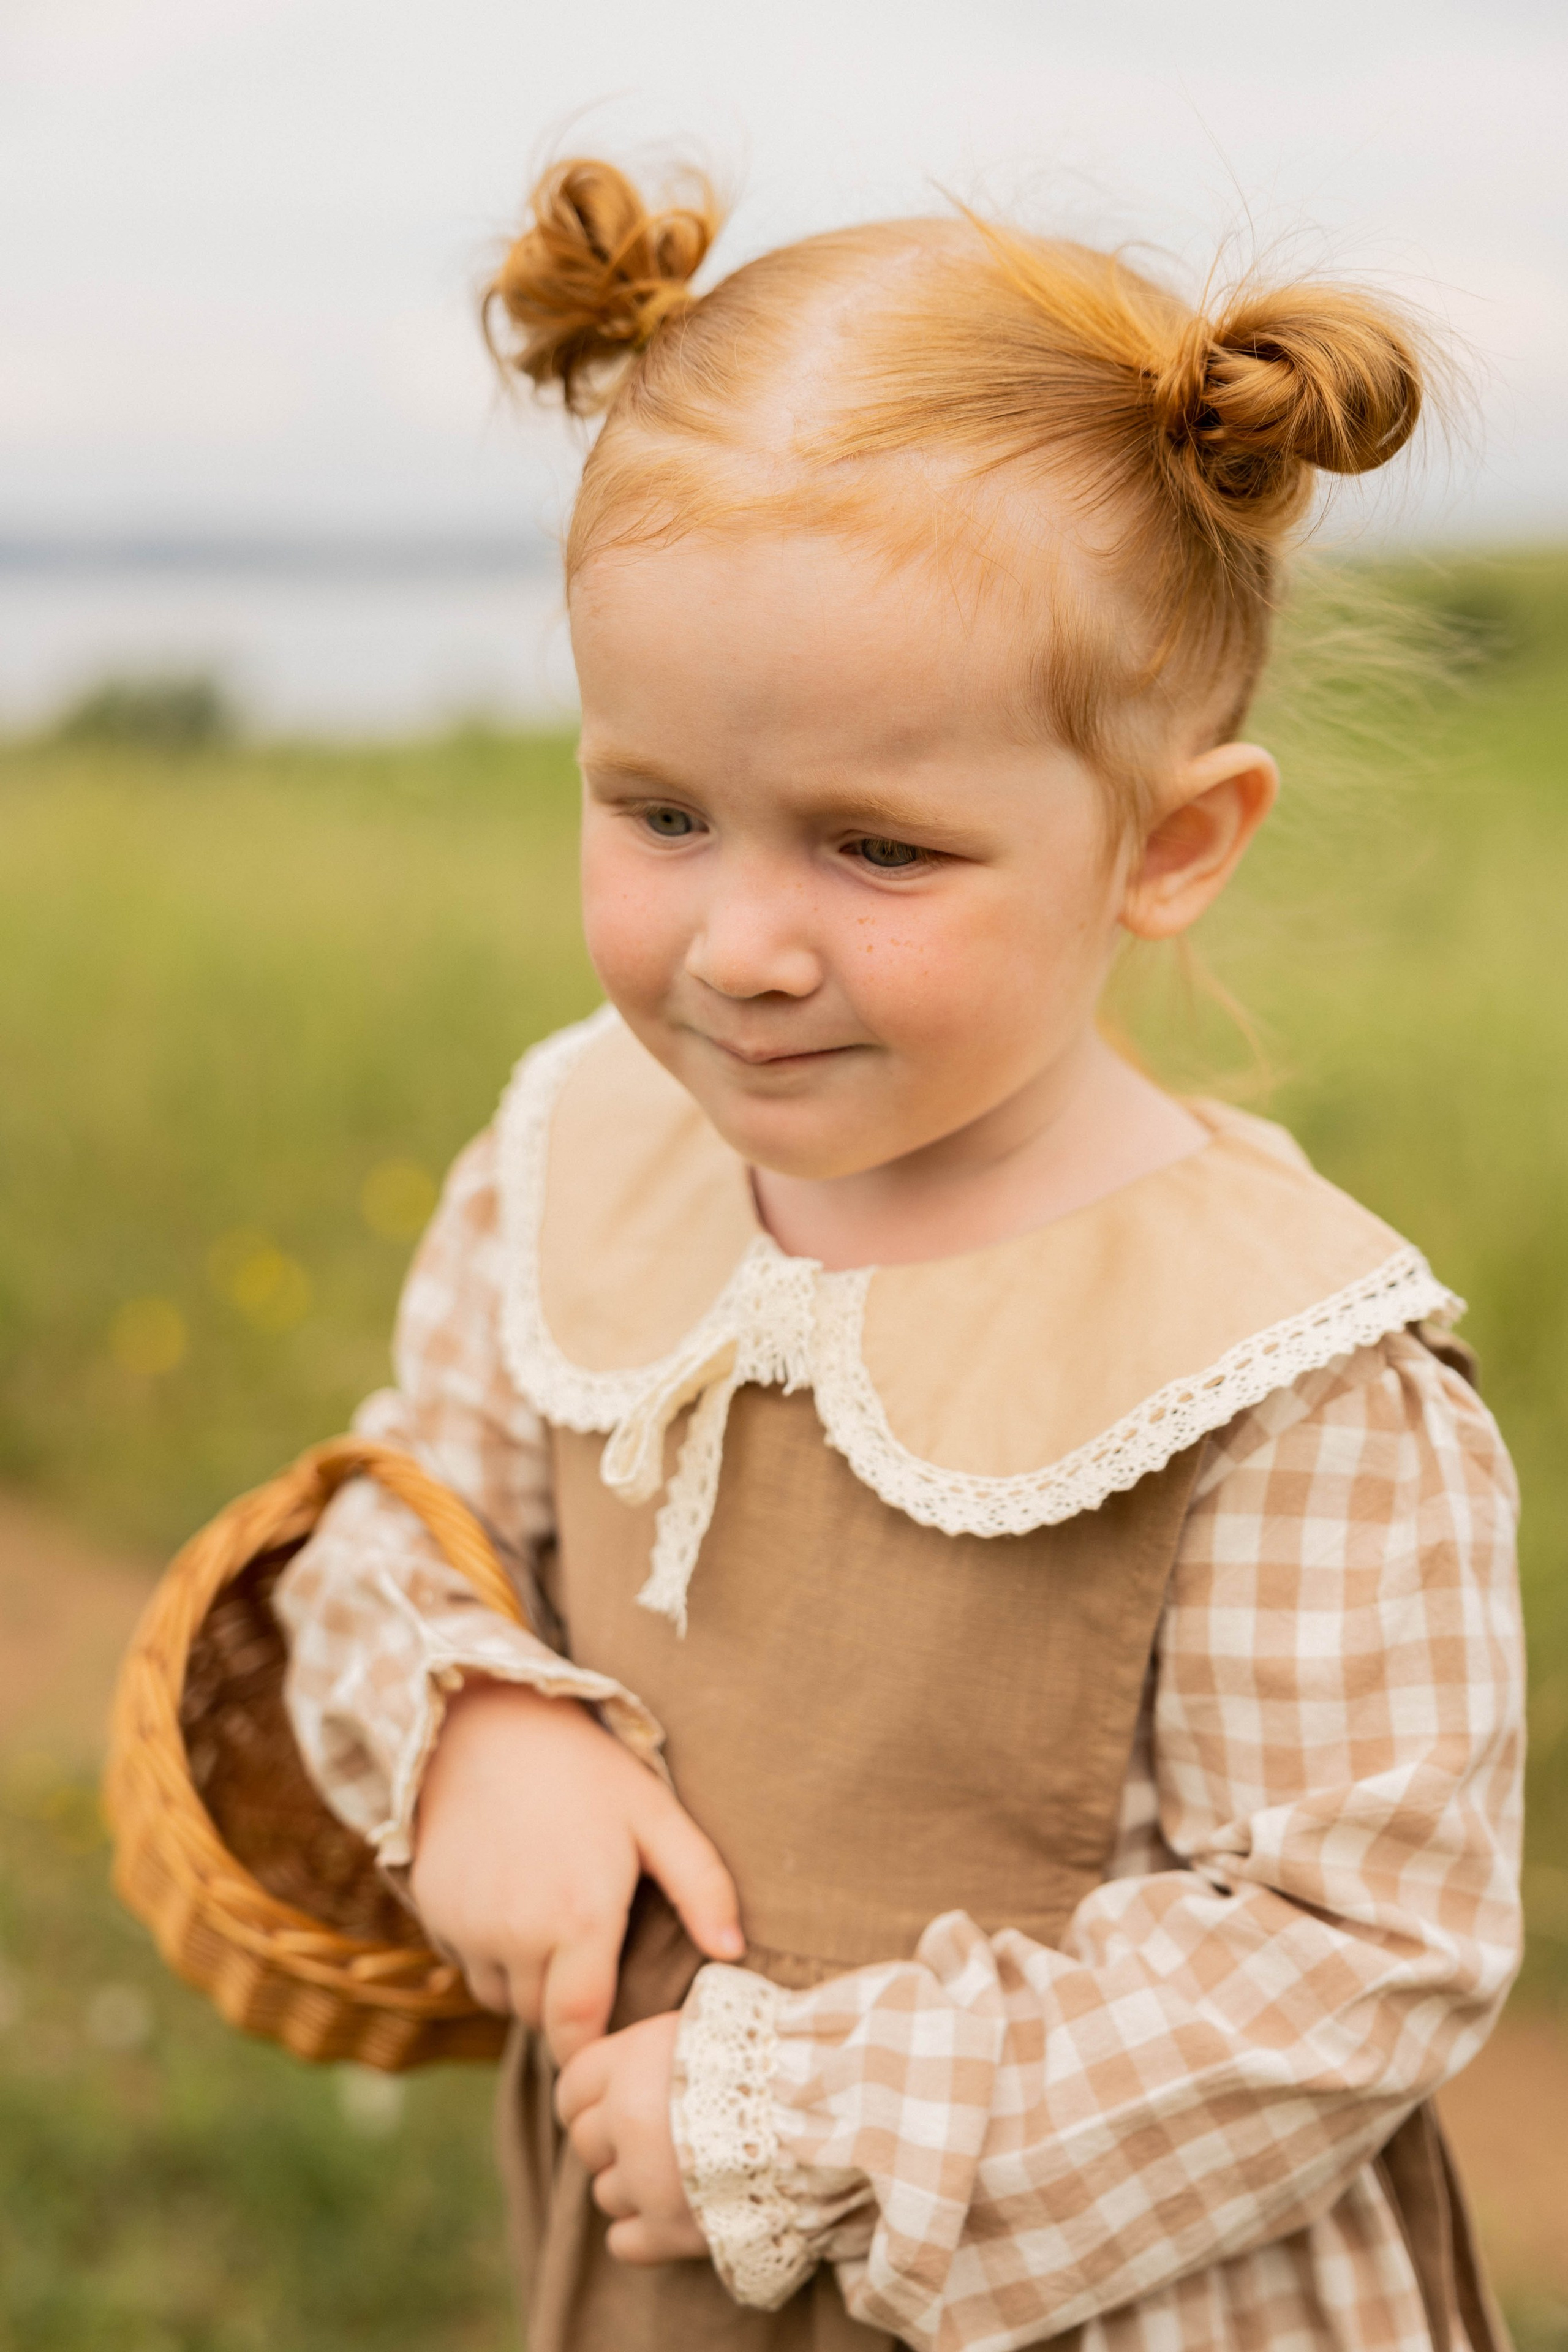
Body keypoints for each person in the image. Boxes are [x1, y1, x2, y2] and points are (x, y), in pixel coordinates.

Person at [275, 159, 1524, 2352]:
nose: (745, 945)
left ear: (1172, 842)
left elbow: (1360, 1949)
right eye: (659, 809)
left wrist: (798, 2110)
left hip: (1105, 2294)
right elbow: (399, 1521)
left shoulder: (1278, 1363)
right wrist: (470, 1718)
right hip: (658, 2275)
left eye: (878, 846)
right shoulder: (579, 1154)